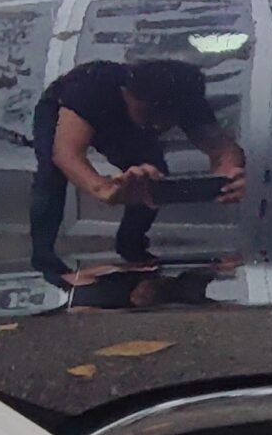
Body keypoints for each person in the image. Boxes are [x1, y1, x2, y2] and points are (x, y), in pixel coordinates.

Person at [26, 59, 244, 276]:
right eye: (150, 114)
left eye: (168, 118)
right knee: (50, 172)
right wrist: (102, 188)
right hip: (61, 108)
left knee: (152, 174)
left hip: (122, 117)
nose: (158, 125)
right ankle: (43, 258)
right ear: (126, 94)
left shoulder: (186, 100)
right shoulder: (89, 91)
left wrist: (228, 179)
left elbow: (223, 150)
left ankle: (131, 244)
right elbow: (66, 155)